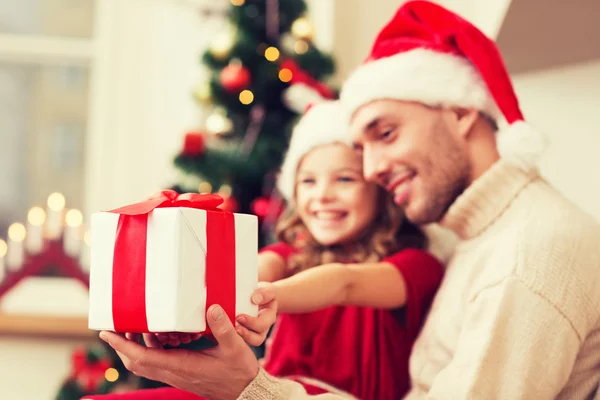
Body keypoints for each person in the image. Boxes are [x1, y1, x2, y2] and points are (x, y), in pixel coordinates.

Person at [97, 1, 600, 399]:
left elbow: (344, 285)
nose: (373, 169)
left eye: (386, 133)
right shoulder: (476, 242)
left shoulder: (526, 253)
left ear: (461, 113)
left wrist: (252, 391)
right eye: (362, 149)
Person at [250, 100, 443, 399]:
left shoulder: (416, 266)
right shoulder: (294, 256)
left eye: (344, 179)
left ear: (382, 192)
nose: (323, 195)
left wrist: (265, 298)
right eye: (308, 181)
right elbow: (259, 268)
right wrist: (228, 289)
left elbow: (344, 282)